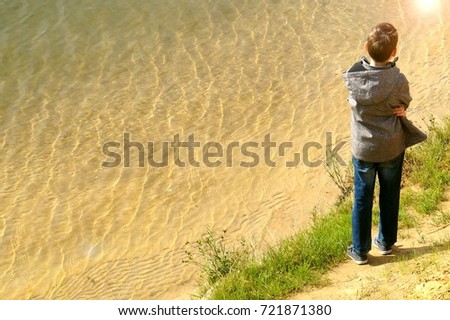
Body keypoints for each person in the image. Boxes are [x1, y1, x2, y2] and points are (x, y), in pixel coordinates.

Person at [342, 22, 427, 265]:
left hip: (364, 148)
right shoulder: (398, 79)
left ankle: (359, 251)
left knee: (362, 197)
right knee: (390, 194)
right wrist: (402, 108)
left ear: (366, 47)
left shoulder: (353, 79)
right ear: (394, 52)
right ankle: (386, 242)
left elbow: (358, 78)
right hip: (390, 145)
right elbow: (404, 101)